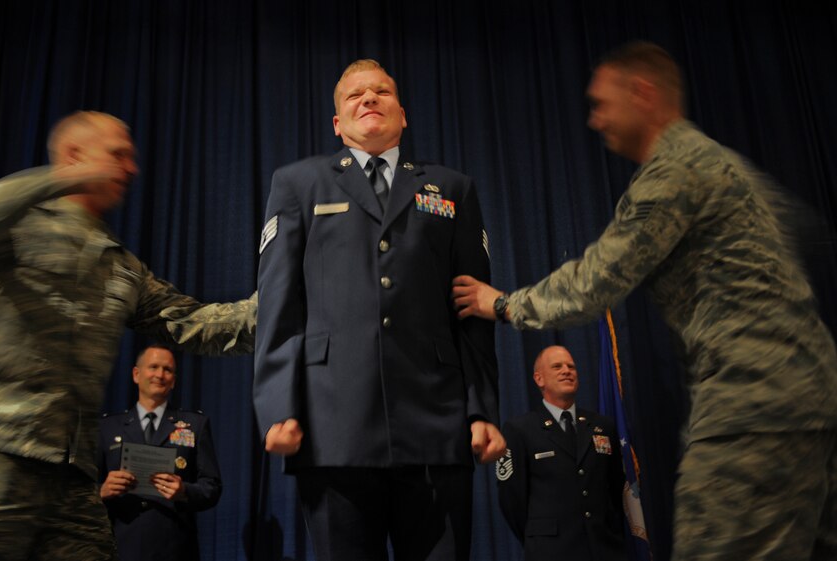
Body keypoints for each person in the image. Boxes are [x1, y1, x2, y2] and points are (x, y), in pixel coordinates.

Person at [452, 41, 837, 561]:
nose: (595, 120)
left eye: (602, 103)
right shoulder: (723, 163)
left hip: (754, 407)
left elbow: (596, 280)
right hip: (815, 402)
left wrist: (502, 304)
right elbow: (808, 237)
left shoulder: (673, 172)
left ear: (643, 93)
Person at [0, 110, 257, 561]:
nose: (131, 169)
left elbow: (195, 325)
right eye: (118, 155)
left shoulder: (120, 266)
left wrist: (294, 297)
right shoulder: (16, 219)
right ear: (74, 155)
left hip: (70, 474)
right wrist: (53, 180)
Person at [254, 59, 505, 561]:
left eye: (381, 92)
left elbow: (472, 308)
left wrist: (482, 410)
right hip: (332, 426)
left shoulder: (452, 189)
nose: (368, 99)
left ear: (403, 114)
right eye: (354, 96)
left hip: (437, 421)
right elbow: (279, 306)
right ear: (337, 123)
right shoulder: (298, 184)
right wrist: (278, 406)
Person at [496, 346, 626, 561]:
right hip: (550, 551)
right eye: (557, 367)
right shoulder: (519, 430)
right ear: (539, 379)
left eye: (571, 366)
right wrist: (538, 536)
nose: (567, 371)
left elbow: (616, 488)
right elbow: (511, 500)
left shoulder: (601, 426)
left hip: (604, 549)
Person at [98, 344, 221, 561]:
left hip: (174, 545)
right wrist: (102, 490)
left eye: (168, 370)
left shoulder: (195, 425)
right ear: (136, 374)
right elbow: (77, 488)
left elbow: (211, 487)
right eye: (153, 367)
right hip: (120, 544)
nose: (160, 375)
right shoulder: (108, 427)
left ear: (174, 380)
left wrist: (184, 491)